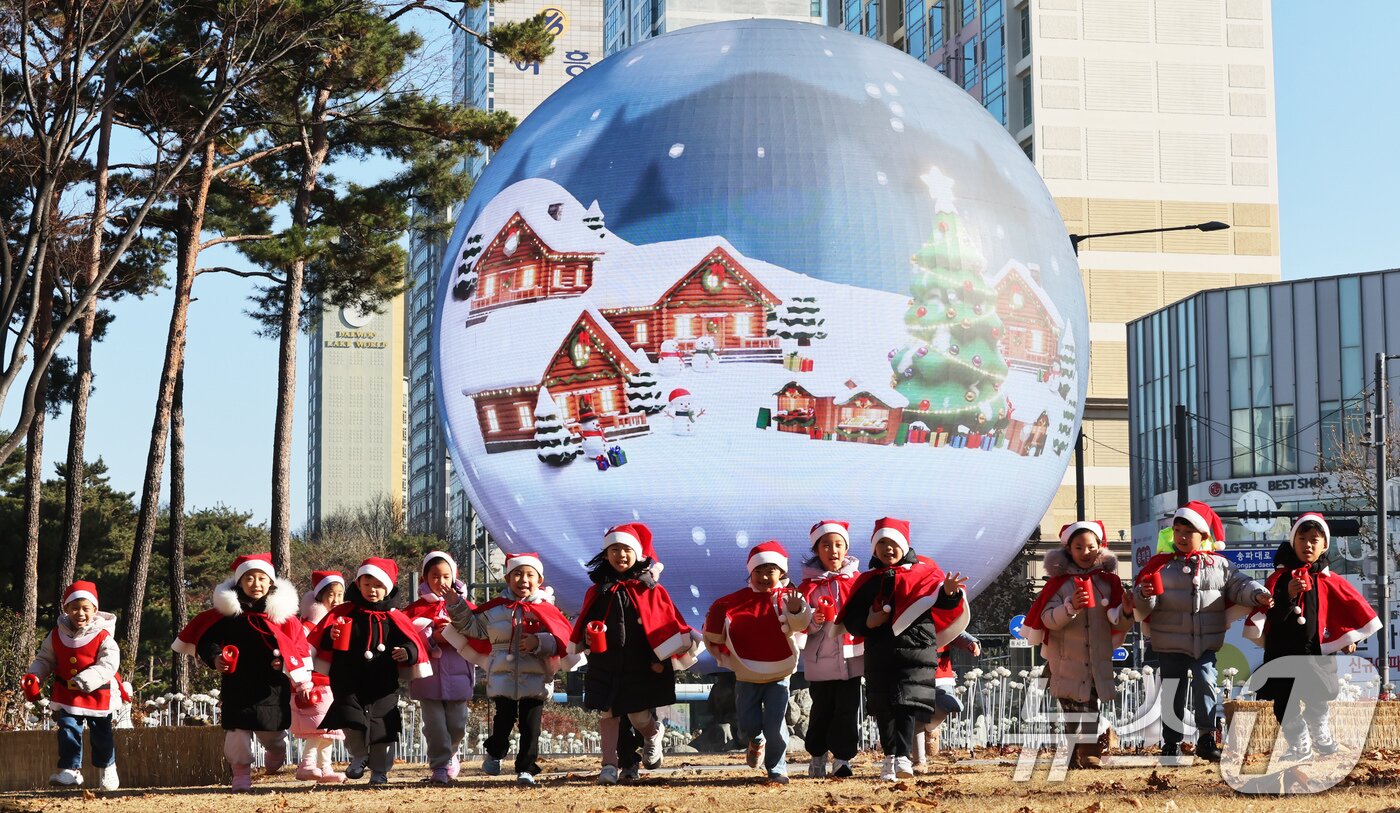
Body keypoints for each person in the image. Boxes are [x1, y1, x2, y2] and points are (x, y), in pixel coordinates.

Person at [1133, 501, 1271, 761]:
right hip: (1168, 642)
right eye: (1177, 531)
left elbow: (1240, 585)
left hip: (1205, 642)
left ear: (1204, 535)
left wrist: (1258, 594)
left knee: (1206, 683)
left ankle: (1206, 739)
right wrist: (1144, 594)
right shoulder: (1160, 565)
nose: (1182, 537)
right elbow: (1140, 601)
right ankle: (1171, 743)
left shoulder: (1219, 565)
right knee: (1172, 691)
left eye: (1189, 532)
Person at [838, 518, 969, 781]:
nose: (888, 548)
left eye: (893, 543)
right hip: (879, 655)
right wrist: (868, 622)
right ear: (874, 549)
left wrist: (949, 594)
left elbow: (943, 604)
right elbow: (851, 618)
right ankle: (890, 757)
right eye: (882, 543)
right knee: (883, 707)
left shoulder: (925, 575)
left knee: (906, 706)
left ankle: (903, 758)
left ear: (904, 546)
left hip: (915, 654)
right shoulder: (867, 580)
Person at [571, 523, 700, 784]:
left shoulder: (650, 589)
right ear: (605, 554)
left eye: (626, 549)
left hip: (641, 666)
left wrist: (656, 660)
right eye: (614, 549)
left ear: (637, 553)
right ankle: (610, 765)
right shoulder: (598, 590)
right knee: (609, 713)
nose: (620, 555)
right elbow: (586, 623)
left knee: (639, 716)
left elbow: (664, 626)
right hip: (606, 663)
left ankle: (652, 733)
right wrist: (587, 636)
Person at [1245, 513, 1381, 760]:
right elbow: (1272, 615)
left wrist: (1351, 638)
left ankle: (1320, 734)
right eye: (1302, 538)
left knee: (1319, 696)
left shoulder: (1330, 580)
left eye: (1314, 539)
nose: (1307, 544)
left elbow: (1347, 610)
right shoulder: (1279, 578)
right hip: (1282, 652)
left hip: (1316, 653)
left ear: (1324, 545)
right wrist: (1287, 594)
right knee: (1284, 702)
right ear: (1293, 541)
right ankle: (1299, 744)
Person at [173, 553, 312, 792]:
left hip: (271, 687)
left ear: (271, 582)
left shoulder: (284, 618)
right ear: (239, 582)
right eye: (249, 578)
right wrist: (215, 658)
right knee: (237, 731)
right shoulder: (228, 616)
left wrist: (292, 672)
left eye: (261, 578)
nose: (255, 584)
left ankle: (277, 750)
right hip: (237, 685)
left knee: (271, 734)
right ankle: (240, 774)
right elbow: (208, 641)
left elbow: (298, 647)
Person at [446, 552, 574, 787]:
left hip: (536, 679)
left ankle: (526, 768)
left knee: (531, 727)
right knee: (503, 722)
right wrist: (456, 605)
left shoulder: (546, 609)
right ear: (507, 579)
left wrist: (539, 642)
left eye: (529, 575)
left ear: (539, 580)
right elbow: (472, 628)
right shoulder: (494, 609)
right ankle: (495, 753)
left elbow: (561, 640)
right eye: (517, 574)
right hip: (502, 677)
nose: (523, 579)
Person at [308, 557, 431, 787]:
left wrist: (407, 652)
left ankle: (379, 770)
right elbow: (321, 637)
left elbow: (411, 641)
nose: (372, 590)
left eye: (378, 585)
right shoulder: (344, 611)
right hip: (348, 680)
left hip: (383, 682)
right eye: (367, 584)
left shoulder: (395, 616)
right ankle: (359, 755)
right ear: (358, 584)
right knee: (349, 717)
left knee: (382, 725)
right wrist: (330, 636)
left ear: (388, 588)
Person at [1022, 521, 1134, 769]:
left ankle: (1089, 752)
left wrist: (1127, 611)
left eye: (1091, 546)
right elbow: (1047, 619)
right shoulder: (1059, 585)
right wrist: (1070, 607)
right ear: (1068, 550)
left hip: (1095, 658)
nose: (1086, 552)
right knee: (1072, 709)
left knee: (1089, 705)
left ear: (1100, 547)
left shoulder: (1108, 583)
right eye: (1079, 547)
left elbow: (1118, 621)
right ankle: (1076, 751)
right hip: (1064, 660)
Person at [705, 541, 813, 785]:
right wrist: (713, 623)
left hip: (780, 675)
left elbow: (802, 625)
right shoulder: (733, 602)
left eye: (770, 571)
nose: (764, 576)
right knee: (748, 724)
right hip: (746, 676)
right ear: (750, 572)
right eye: (759, 571)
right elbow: (715, 634)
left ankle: (777, 768)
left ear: (781, 572)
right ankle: (756, 740)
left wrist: (796, 610)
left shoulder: (789, 597)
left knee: (775, 725)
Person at [27, 581, 124, 790]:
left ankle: (108, 767)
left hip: (98, 694)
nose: (80, 613)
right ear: (66, 609)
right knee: (68, 729)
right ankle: (70, 770)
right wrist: (35, 675)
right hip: (68, 694)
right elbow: (45, 659)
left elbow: (109, 663)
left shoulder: (103, 636)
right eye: (74, 608)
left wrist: (87, 679)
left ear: (95, 610)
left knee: (101, 734)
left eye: (85, 608)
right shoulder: (56, 634)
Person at [797, 520, 864, 779]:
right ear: (816, 550)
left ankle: (842, 759)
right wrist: (813, 619)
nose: (833, 550)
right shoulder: (807, 587)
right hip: (820, 661)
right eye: (826, 545)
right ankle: (817, 755)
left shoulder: (858, 581)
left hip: (851, 658)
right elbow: (798, 624)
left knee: (847, 710)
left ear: (846, 548)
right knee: (821, 709)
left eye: (838, 544)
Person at [406, 551, 477, 785]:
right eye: (435, 576)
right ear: (425, 578)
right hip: (427, 677)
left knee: (457, 725)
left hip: (459, 676)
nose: (441, 581)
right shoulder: (414, 609)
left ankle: (451, 753)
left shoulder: (465, 607)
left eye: (446, 576)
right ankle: (439, 765)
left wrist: (454, 631)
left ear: (454, 577)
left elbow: (478, 633)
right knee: (434, 726)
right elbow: (407, 638)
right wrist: (432, 637)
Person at [291, 570, 346, 783]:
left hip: (331, 682)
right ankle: (307, 765)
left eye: (340, 594)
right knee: (319, 728)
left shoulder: (339, 621)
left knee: (328, 729)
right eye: (331, 594)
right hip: (314, 683)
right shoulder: (309, 625)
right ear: (319, 596)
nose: (336, 599)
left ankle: (325, 767)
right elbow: (300, 652)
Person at [913, 631, 979, 770]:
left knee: (951, 704)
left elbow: (954, 628)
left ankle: (931, 727)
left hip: (941, 673)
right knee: (917, 717)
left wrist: (970, 642)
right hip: (914, 672)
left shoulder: (939, 617)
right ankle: (919, 761)